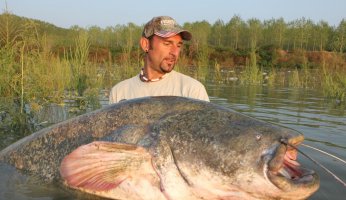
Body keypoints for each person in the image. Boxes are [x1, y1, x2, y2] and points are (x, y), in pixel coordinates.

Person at [109, 16, 209, 104]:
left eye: (178, 45)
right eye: (167, 44)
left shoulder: (192, 91)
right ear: (145, 44)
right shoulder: (119, 92)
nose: (175, 52)